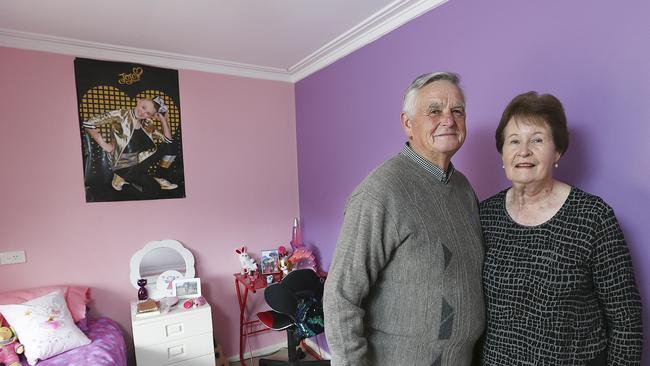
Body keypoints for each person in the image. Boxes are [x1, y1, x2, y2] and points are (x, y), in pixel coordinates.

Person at [323, 72, 485, 366]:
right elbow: (340, 297)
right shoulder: (380, 192)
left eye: (457, 111)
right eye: (434, 111)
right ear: (408, 123)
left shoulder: (463, 188)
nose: (448, 119)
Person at [480, 91, 643, 365]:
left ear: (557, 151)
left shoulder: (593, 217)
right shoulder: (485, 215)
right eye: (514, 141)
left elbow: (626, 319)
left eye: (537, 140)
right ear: (502, 153)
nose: (524, 151)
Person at [83, 96, 178, 198]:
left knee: (170, 147)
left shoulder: (147, 123)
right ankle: (121, 177)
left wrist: (163, 119)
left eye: (148, 113)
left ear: (151, 116)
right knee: (153, 189)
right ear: (139, 101)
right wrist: (105, 145)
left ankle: (159, 177)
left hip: (139, 162)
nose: (142, 113)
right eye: (143, 107)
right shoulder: (121, 115)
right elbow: (88, 123)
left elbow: (167, 140)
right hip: (122, 165)